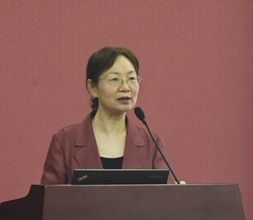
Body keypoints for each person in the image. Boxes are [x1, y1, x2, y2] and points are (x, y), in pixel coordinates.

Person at [40, 46, 171, 184]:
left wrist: (179, 193)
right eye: (114, 79)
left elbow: (166, 193)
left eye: (131, 78)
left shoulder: (151, 143)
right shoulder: (65, 141)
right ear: (93, 87)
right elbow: (49, 196)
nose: (125, 87)